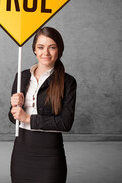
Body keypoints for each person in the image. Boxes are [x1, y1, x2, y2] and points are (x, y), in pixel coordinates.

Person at [8, 27, 77, 183]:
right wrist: (14, 108)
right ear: (34, 49)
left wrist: (28, 119)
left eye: (52, 47)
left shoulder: (68, 82)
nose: (45, 52)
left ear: (59, 50)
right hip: (22, 152)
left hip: (50, 154)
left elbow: (65, 123)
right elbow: (13, 119)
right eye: (40, 47)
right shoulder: (22, 76)